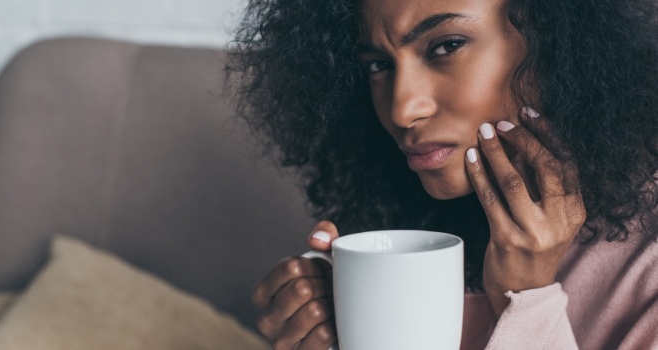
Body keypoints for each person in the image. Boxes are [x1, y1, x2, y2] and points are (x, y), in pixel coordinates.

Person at [225, 0, 658, 348]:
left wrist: (528, 299)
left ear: (559, 38)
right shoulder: (425, 221)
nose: (402, 109)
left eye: (445, 46)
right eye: (377, 65)